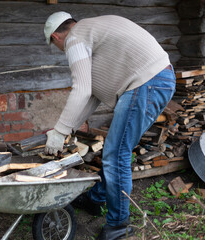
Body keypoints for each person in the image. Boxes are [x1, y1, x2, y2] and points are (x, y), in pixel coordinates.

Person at [43, 12, 176, 240]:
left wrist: (60, 131)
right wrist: (70, 127)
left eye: (55, 45)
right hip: (155, 80)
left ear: (56, 36)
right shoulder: (92, 31)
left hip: (145, 83)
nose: (60, 50)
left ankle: (118, 227)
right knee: (116, 149)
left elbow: (81, 89)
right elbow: (92, 95)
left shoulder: (75, 38)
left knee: (116, 154)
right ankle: (96, 199)